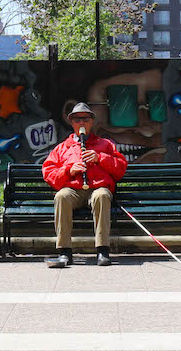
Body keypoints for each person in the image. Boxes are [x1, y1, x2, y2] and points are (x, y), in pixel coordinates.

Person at [40, 102, 127, 268]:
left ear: (91, 122)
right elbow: (49, 173)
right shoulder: (62, 148)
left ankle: (102, 250)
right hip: (73, 190)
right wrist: (68, 170)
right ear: (72, 122)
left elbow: (120, 168)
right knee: (61, 196)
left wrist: (100, 157)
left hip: (97, 188)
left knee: (101, 195)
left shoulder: (105, 144)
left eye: (85, 119)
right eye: (77, 119)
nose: (81, 123)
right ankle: (64, 251)